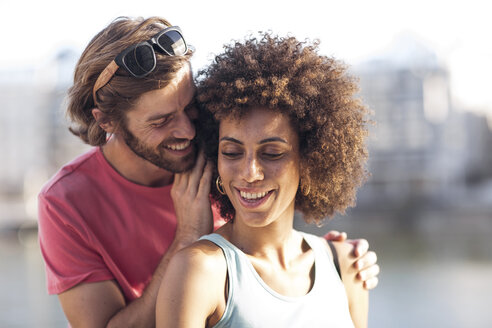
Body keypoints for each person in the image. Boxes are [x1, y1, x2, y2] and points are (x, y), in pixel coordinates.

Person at [37, 16, 379, 327]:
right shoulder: (65, 203)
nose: (187, 130)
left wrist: (332, 261)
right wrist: (187, 238)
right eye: (161, 121)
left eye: (190, 106)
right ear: (106, 121)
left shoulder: (219, 150)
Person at [156, 33, 372, 327]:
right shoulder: (201, 270)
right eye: (231, 152)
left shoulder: (346, 264)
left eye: (271, 153)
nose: (249, 172)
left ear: (310, 159)